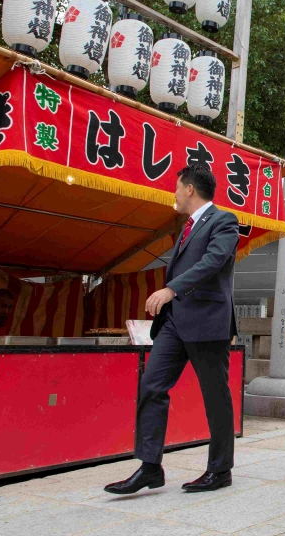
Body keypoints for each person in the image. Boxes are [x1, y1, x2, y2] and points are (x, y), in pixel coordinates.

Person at [105, 164, 240, 496]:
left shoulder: (224, 221)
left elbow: (214, 260)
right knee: (151, 385)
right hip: (174, 323)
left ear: (190, 188)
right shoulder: (187, 226)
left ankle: (220, 469)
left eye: (177, 187)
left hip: (208, 322)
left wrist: (171, 289)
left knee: (215, 397)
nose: (175, 193)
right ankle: (150, 467)